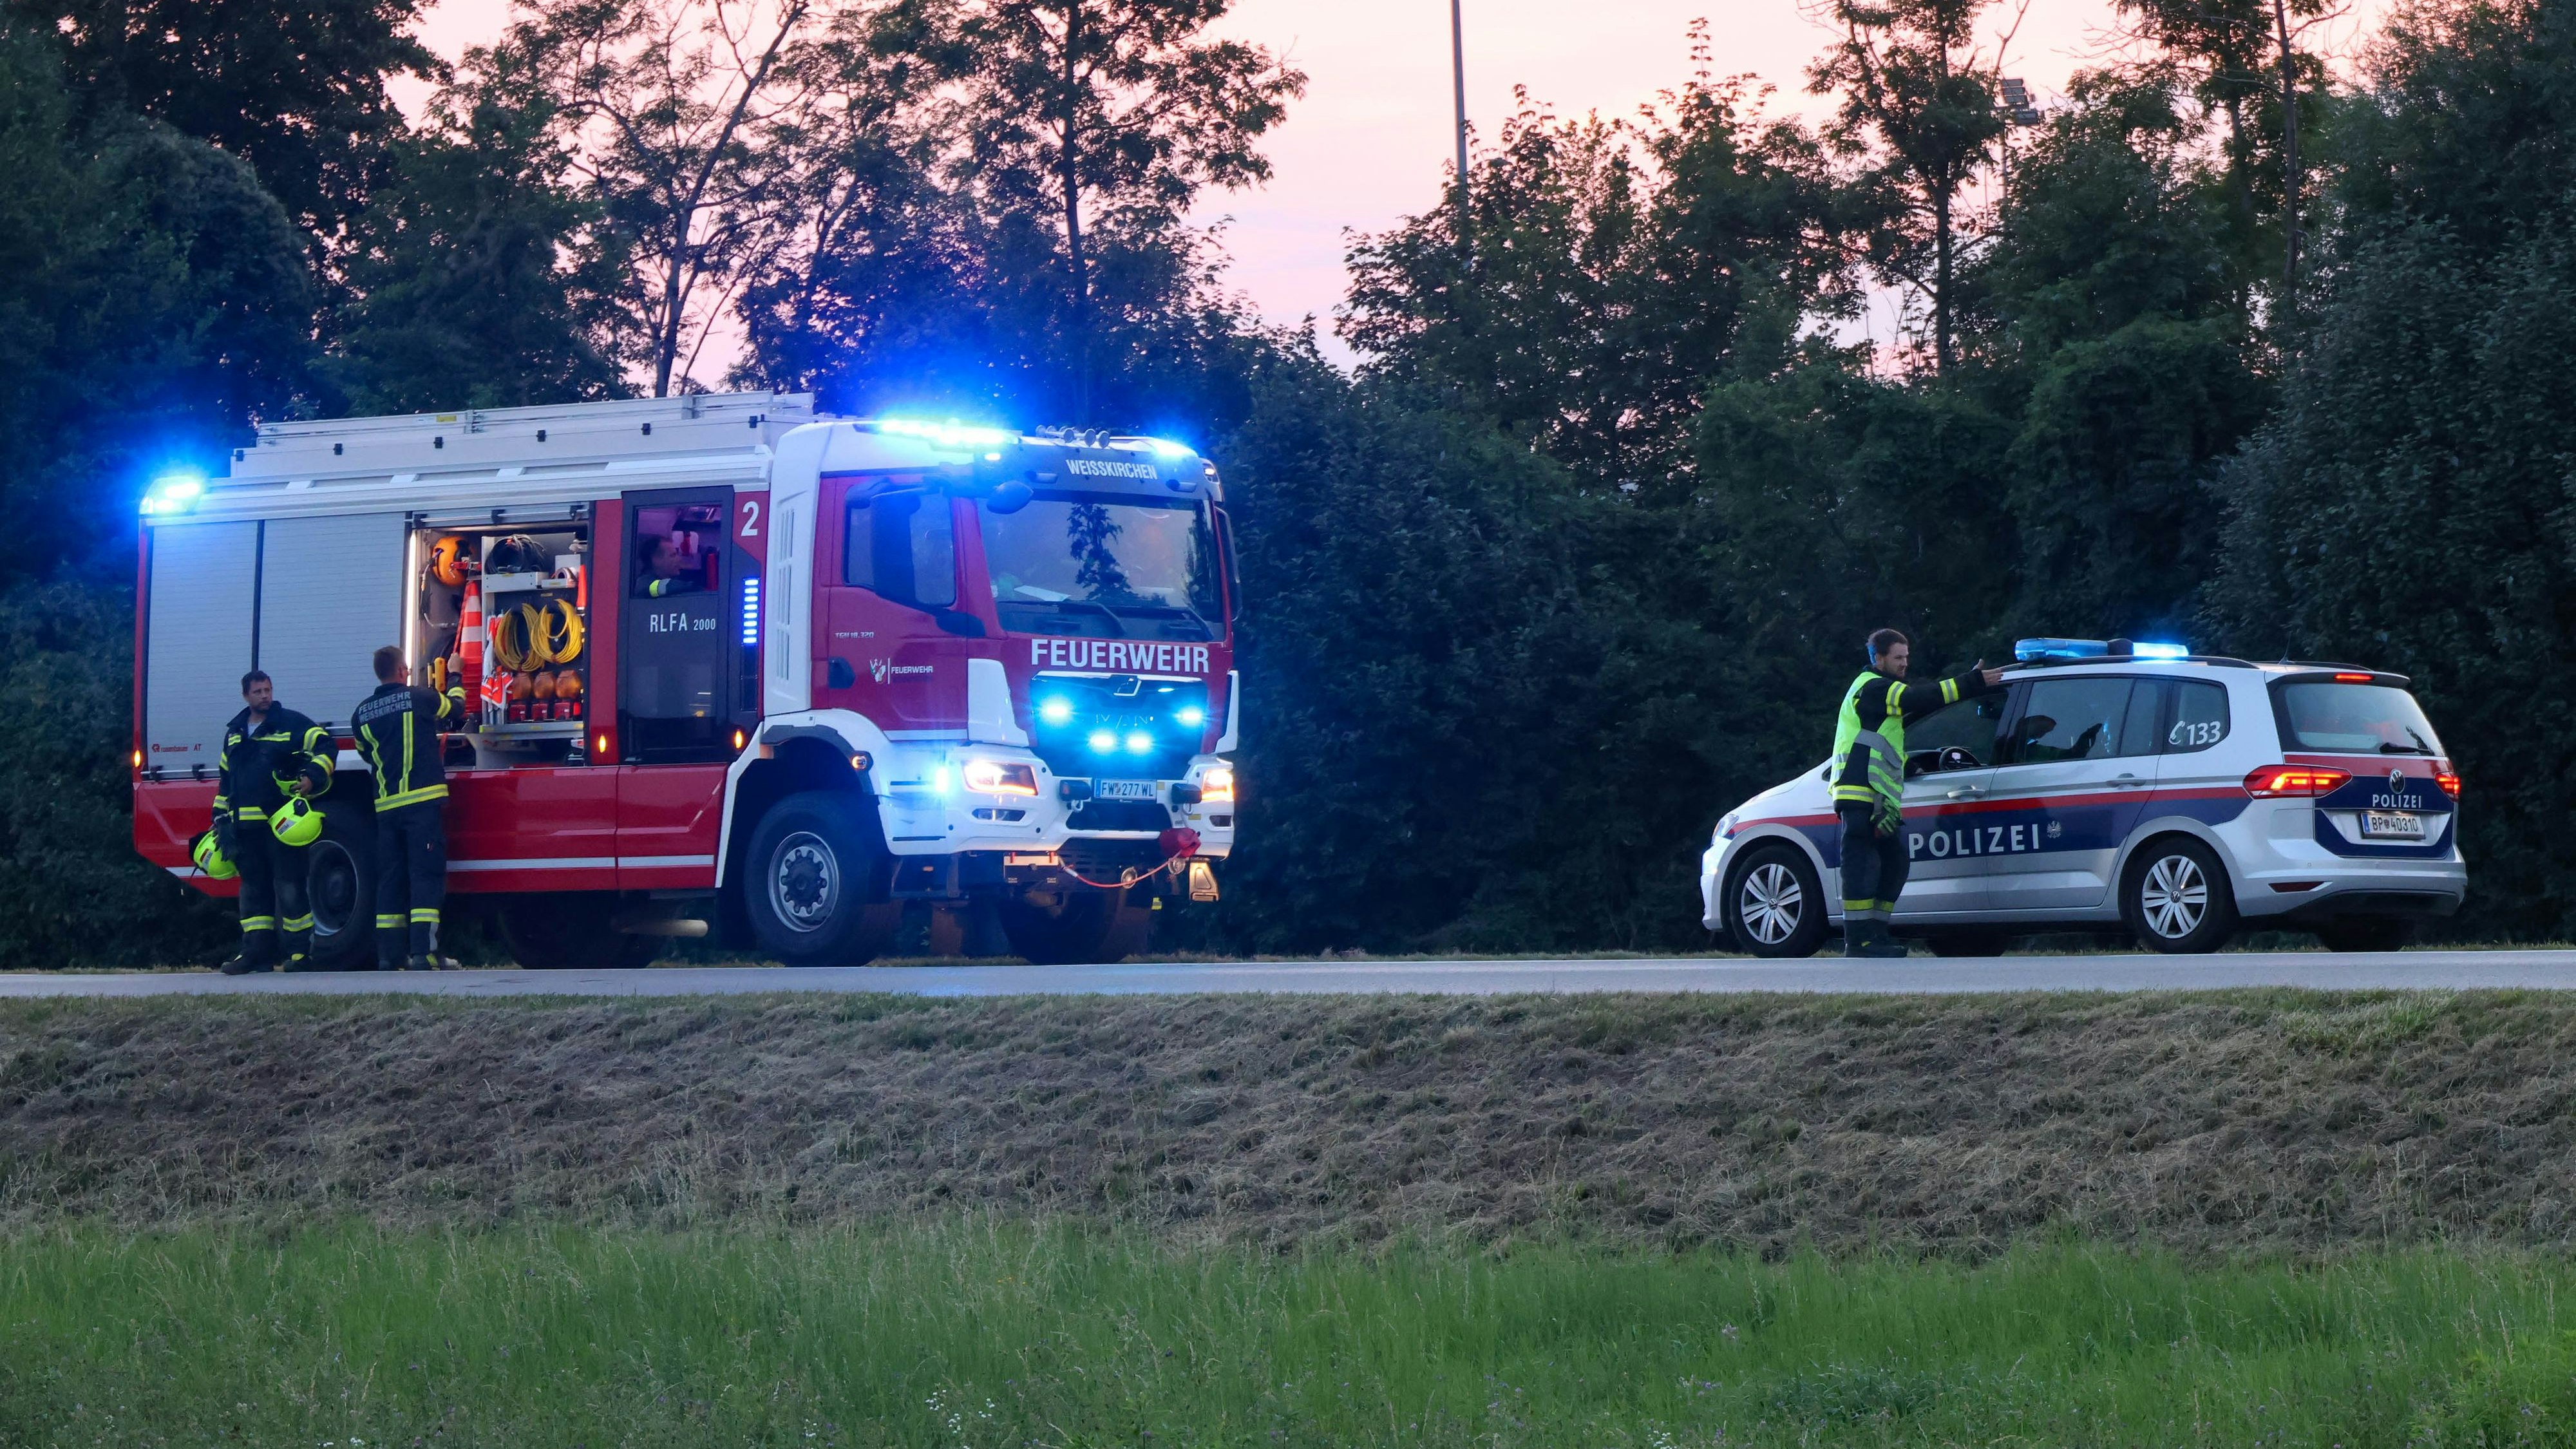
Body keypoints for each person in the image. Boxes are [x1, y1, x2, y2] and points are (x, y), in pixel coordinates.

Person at [1831, 629, 2006, 958]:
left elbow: (1880, 741)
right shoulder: (1873, 687)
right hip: (1861, 794)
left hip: (1876, 795)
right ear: (1878, 658)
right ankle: (1858, 940)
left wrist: (1910, 768)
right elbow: (1918, 699)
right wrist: (1972, 682)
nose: (1904, 664)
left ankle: (1875, 934)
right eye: (1898, 658)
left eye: (1907, 657)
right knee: (1862, 865)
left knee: (1894, 862)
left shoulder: (1878, 692)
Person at [352, 645, 466, 970]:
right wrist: (456, 673)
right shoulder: (420, 698)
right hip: (421, 805)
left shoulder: (361, 714)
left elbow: (365, 753)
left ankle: (389, 956)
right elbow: (457, 708)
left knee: (390, 879)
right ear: (402, 670)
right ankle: (423, 953)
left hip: (387, 808)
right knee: (425, 877)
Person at [214, 671, 334, 974]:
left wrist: (312, 777)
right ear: (246, 696)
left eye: (267, 690)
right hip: (245, 830)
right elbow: (226, 781)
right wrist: (219, 819)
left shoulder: (291, 723)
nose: (264, 696)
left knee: (290, 889)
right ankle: (255, 955)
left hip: (281, 826)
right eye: (257, 692)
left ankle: (298, 956)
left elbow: (325, 746)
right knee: (252, 894)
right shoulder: (235, 732)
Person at [640, 533, 705, 597]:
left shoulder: (675, 580)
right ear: (656, 560)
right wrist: (693, 586)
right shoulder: (644, 583)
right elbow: (659, 587)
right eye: (673, 555)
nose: (679, 559)